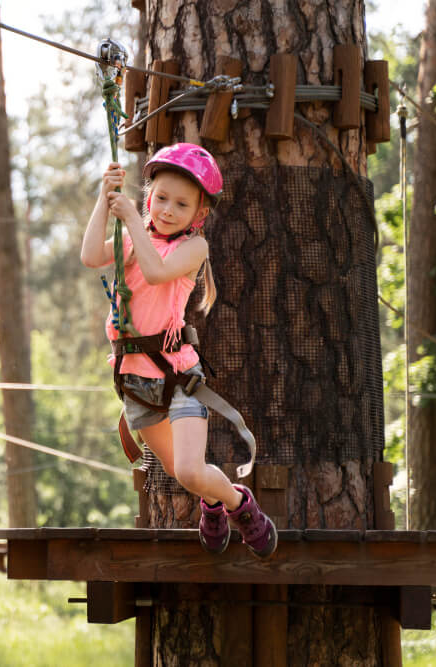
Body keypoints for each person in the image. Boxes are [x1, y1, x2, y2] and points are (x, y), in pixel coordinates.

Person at [80, 142, 277, 559]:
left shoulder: (193, 249)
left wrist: (132, 215)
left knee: (190, 468)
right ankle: (211, 501)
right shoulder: (134, 240)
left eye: (181, 204)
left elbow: (155, 273)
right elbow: (90, 255)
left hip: (178, 379)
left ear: (199, 215)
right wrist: (104, 198)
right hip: (135, 382)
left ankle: (239, 505)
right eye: (161, 198)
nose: (167, 210)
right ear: (149, 195)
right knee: (181, 475)